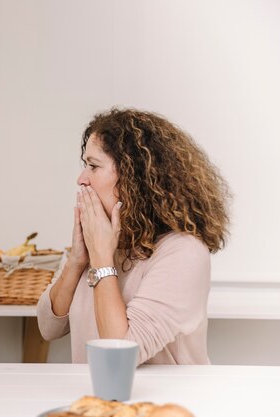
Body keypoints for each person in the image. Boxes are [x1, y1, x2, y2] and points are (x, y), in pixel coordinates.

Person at [37, 108, 230, 365]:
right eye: (85, 165)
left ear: (133, 177)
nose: (81, 179)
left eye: (93, 166)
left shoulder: (184, 252)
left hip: (164, 403)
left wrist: (101, 260)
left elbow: (121, 354)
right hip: (103, 402)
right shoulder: (103, 240)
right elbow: (48, 328)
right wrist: (76, 261)